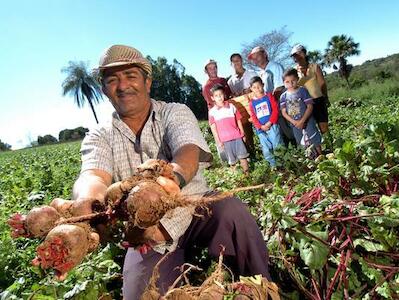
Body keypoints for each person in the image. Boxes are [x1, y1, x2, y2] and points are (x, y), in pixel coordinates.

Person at [72, 44, 271, 299]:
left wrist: (172, 181)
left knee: (231, 210)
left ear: (148, 82)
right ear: (104, 90)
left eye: (131, 76)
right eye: (113, 80)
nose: (123, 86)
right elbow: (92, 175)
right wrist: (90, 202)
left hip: (196, 209)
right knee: (139, 293)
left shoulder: (174, 112)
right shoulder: (99, 136)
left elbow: (187, 150)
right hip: (147, 233)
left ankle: (263, 287)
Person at [248, 46, 295, 145]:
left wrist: (271, 104)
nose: (255, 59)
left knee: (289, 131)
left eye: (257, 56)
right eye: (253, 58)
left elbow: (279, 88)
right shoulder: (262, 73)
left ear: (265, 54)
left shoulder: (274, 66)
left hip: (280, 104)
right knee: (281, 134)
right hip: (272, 108)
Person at [208, 84, 249, 174]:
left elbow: (238, 120)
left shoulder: (231, 106)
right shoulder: (212, 112)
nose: (219, 97)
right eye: (216, 96)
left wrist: (242, 133)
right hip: (225, 140)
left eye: (221, 94)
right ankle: (237, 178)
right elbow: (213, 127)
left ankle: (247, 175)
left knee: (243, 157)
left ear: (224, 95)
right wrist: (218, 140)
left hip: (237, 136)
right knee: (232, 161)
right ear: (212, 98)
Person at [280, 69, 322, 156]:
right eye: (287, 82)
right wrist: (295, 122)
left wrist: (302, 120)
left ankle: (321, 156)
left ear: (297, 79)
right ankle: (310, 161)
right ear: (283, 82)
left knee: (314, 139)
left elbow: (310, 106)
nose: (290, 84)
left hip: (308, 121)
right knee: (301, 142)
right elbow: (284, 112)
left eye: (293, 81)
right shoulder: (283, 97)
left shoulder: (302, 91)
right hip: (295, 124)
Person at [291, 44, 329, 134]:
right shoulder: (294, 71)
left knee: (324, 127)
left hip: (318, 100)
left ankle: (329, 146)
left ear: (304, 53)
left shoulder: (314, 67)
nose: (297, 57)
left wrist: (325, 97)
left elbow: (322, 83)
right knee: (310, 129)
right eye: (294, 56)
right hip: (305, 104)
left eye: (299, 54)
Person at [227, 53, 257, 157]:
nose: (236, 63)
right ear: (231, 64)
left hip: (255, 108)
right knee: (247, 133)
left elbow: (259, 87)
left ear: (242, 61)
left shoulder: (251, 73)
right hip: (242, 111)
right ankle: (253, 155)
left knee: (261, 129)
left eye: (238, 60)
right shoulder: (230, 81)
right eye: (234, 61)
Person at [248, 76, 283, 167]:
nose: (257, 89)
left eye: (259, 86)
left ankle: (282, 164)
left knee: (277, 144)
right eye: (254, 87)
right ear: (251, 89)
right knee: (266, 148)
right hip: (261, 130)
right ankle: (273, 166)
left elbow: (275, 110)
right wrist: (260, 126)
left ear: (263, 85)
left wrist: (270, 122)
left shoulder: (269, 96)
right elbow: (253, 117)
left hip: (272, 126)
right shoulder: (252, 103)